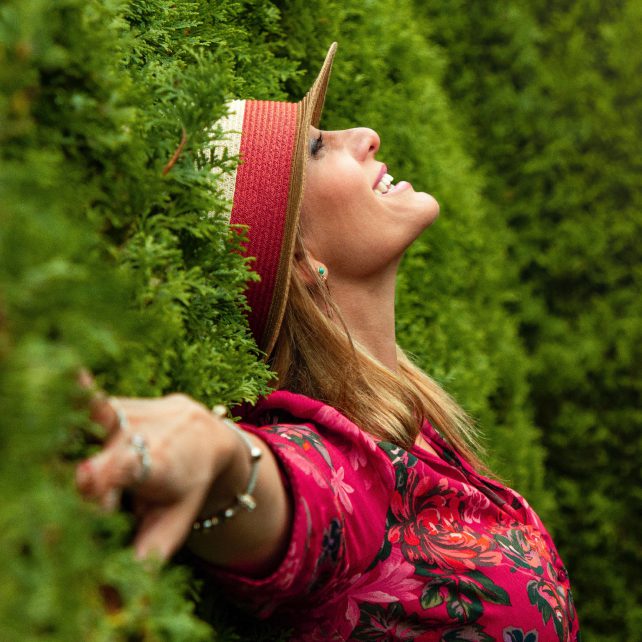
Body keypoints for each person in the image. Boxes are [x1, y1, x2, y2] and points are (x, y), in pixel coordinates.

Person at [76, 43, 581, 641]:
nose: (366, 134)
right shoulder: (338, 465)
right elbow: (293, 493)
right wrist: (217, 454)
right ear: (298, 260)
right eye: (317, 146)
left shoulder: (413, 425)